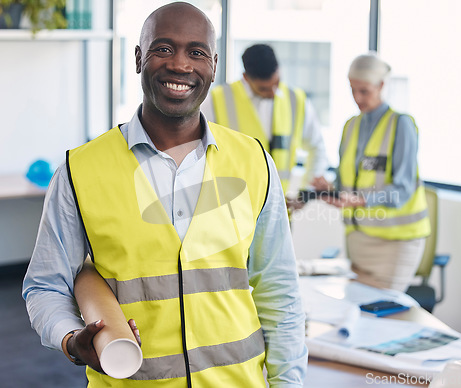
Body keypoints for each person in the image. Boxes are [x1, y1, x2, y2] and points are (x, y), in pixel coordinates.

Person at [22, 3, 307, 387]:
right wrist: (72, 341)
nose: (180, 65)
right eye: (163, 49)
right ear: (138, 58)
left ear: (214, 66)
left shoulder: (254, 162)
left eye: (197, 52)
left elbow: (280, 293)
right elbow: (45, 285)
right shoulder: (79, 171)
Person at [326, 53, 431, 292]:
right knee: (358, 314)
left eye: (364, 91)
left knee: (383, 314)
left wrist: (363, 200)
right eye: (352, 90)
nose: (357, 98)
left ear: (381, 85)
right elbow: (347, 182)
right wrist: (328, 189)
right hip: (358, 239)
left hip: (395, 244)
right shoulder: (350, 126)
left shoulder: (401, 125)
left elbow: (402, 189)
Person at [201, 43, 330, 205]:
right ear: (246, 78)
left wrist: (305, 193)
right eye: (264, 88)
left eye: (277, 82)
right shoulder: (217, 101)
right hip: (233, 211)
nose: (273, 92)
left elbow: (317, 147)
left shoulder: (296, 101)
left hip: (280, 209)